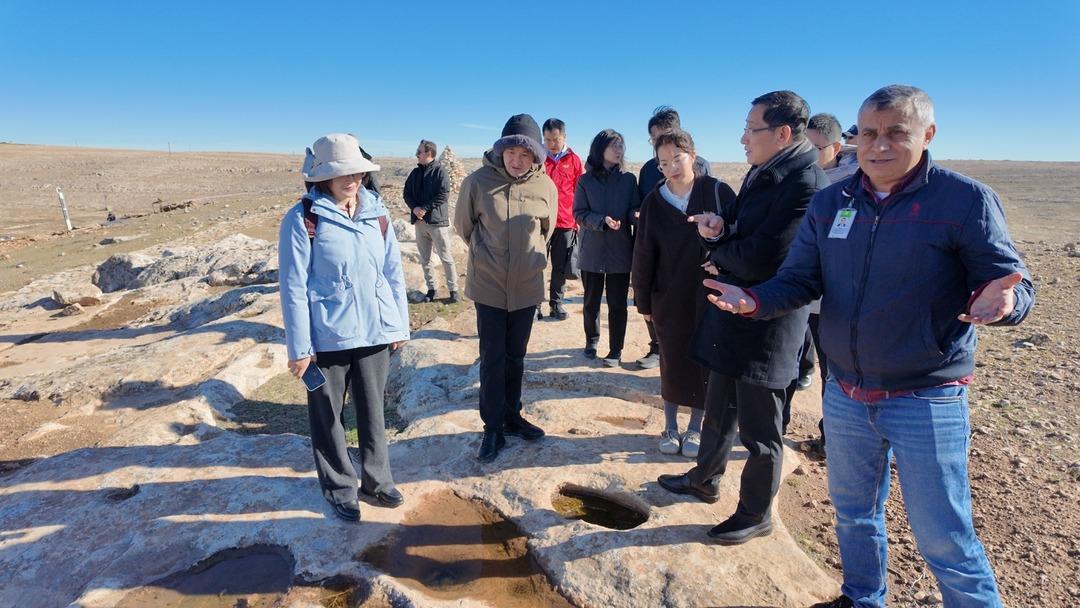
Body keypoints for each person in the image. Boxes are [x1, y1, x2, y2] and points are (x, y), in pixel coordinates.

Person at [703, 85, 1034, 608]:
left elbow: (1012, 283)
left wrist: (1006, 304)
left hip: (926, 396)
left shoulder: (964, 200)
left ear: (928, 134)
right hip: (847, 393)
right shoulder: (834, 200)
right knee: (854, 515)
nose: (879, 145)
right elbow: (800, 279)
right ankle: (861, 599)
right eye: (870, 133)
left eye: (896, 133)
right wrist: (756, 301)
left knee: (943, 536)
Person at [657, 91, 826, 545]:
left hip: (769, 321)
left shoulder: (805, 183)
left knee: (760, 430)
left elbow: (772, 254)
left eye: (752, 129)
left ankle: (755, 513)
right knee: (719, 406)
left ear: (783, 134)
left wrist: (718, 254)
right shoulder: (766, 171)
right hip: (736, 310)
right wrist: (721, 227)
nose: (743, 138)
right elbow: (745, 229)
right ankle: (704, 478)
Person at [278, 133, 409, 522]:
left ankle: (377, 481)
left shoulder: (378, 214)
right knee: (327, 415)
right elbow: (293, 285)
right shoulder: (304, 218)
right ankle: (338, 487)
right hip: (325, 339)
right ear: (321, 177)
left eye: (356, 171)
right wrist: (299, 348)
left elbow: (392, 273)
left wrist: (398, 324)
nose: (350, 179)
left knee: (373, 411)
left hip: (374, 333)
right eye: (340, 173)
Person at [454, 114, 558, 463]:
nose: (517, 159)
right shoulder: (477, 182)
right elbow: (464, 227)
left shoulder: (546, 186)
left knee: (517, 357)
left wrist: (528, 263)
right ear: (501, 151)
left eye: (525, 154)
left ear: (535, 157)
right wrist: (488, 257)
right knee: (492, 359)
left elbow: (548, 231)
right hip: (489, 286)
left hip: (526, 287)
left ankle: (513, 416)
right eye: (511, 151)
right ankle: (492, 428)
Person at [632, 129, 735, 457]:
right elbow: (643, 253)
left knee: (704, 359)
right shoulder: (654, 201)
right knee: (672, 359)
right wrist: (643, 299)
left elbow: (740, 237)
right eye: (664, 163)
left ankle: (695, 427)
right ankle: (670, 426)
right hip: (668, 294)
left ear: (692, 155)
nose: (672, 167)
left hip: (710, 294)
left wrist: (721, 261)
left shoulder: (717, 192)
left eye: (677, 158)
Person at [633, 106, 712, 370]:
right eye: (653, 139)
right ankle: (656, 347)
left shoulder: (701, 167)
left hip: (695, 251)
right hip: (659, 249)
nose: (659, 144)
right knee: (657, 302)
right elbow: (642, 203)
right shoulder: (647, 170)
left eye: (663, 135)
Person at [573, 129, 640, 367]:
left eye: (621, 145)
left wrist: (636, 215)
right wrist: (602, 220)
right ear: (600, 149)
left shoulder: (629, 180)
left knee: (617, 303)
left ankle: (615, 349)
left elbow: (634, 208)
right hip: (592, 251)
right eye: (614, 145)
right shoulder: (585, 180)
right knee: (591, 301)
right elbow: (579, 214)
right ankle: (591, 341)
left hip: (620, 251)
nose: (619, 149)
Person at [405, 139, 459, 303]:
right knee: (425, 259)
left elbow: (443, 194)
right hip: (420, 223)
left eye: (419, 151)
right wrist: (414, 208)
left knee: (445, 257)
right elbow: (406, 193)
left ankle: (454, 290)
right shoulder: (415, 173)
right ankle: (431, 289)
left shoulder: (440, 171)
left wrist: (425, 208)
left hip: (436, 222)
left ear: (428, 153)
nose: (416, 154)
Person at [542, 118, 584, 321]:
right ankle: (533, 306)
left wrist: (577, 220)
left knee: (560, 267)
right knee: (536, 266)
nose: (551, 143)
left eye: (555, 139)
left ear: (564, 137)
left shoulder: (574, 160)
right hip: (540, 222)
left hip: (566, 222)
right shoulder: (538, 159)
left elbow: (579, 191)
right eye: (547, 139)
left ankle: (556, 304)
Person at [807, 113, 858, 184]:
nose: (808, 154)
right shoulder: (796, 175)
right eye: (805, 147)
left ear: (835, 148)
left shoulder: (857, 181)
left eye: (816, 148)